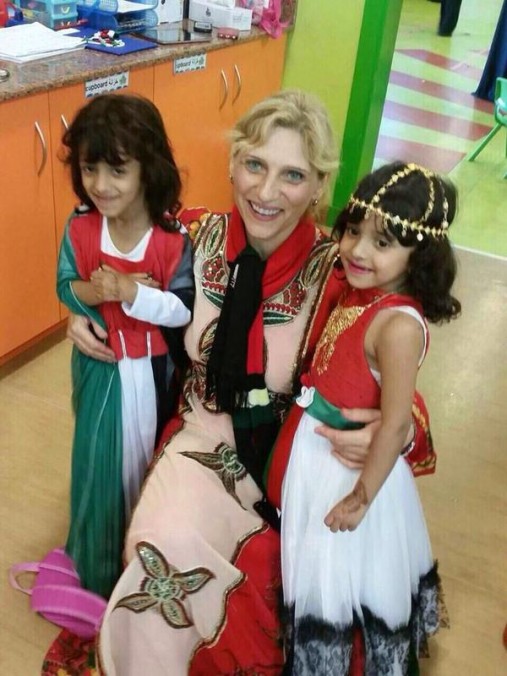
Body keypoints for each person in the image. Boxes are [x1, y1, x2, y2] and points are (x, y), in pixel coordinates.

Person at [65, 91, 434, 674]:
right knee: (162, 551)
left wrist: (398, 431)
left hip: (298, 466)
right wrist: (81, 312)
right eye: (255, 165)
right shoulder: (190, 235)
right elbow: (104, 259)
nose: (266, 191)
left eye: (293, 175)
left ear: (319, 186)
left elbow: (396, 380)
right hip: (201, 439)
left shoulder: (341, 272)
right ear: (233, 164)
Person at [277, 161, 460, 675]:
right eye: (354, 231)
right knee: (313, 573)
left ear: (419, 255)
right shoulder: (360, 294)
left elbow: (396, 424)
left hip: (350, 474)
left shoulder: (397, 325)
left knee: (339, 582)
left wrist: (360, 498)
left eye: (383, 243)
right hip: (318, 457)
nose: (358, 250)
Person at [57, 93, 194, 599]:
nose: (101, 185)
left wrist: (132, 294)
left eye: (117, 170)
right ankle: (95, 573)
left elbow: (184, 309)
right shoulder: (81, 226)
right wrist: (103, 290)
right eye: (89, 169)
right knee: (97, 465)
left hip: (153, 374)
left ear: (147, 169)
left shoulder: (172, 240)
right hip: (99, 367)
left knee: (146, 467)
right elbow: (66, 286)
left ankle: (141, 567)